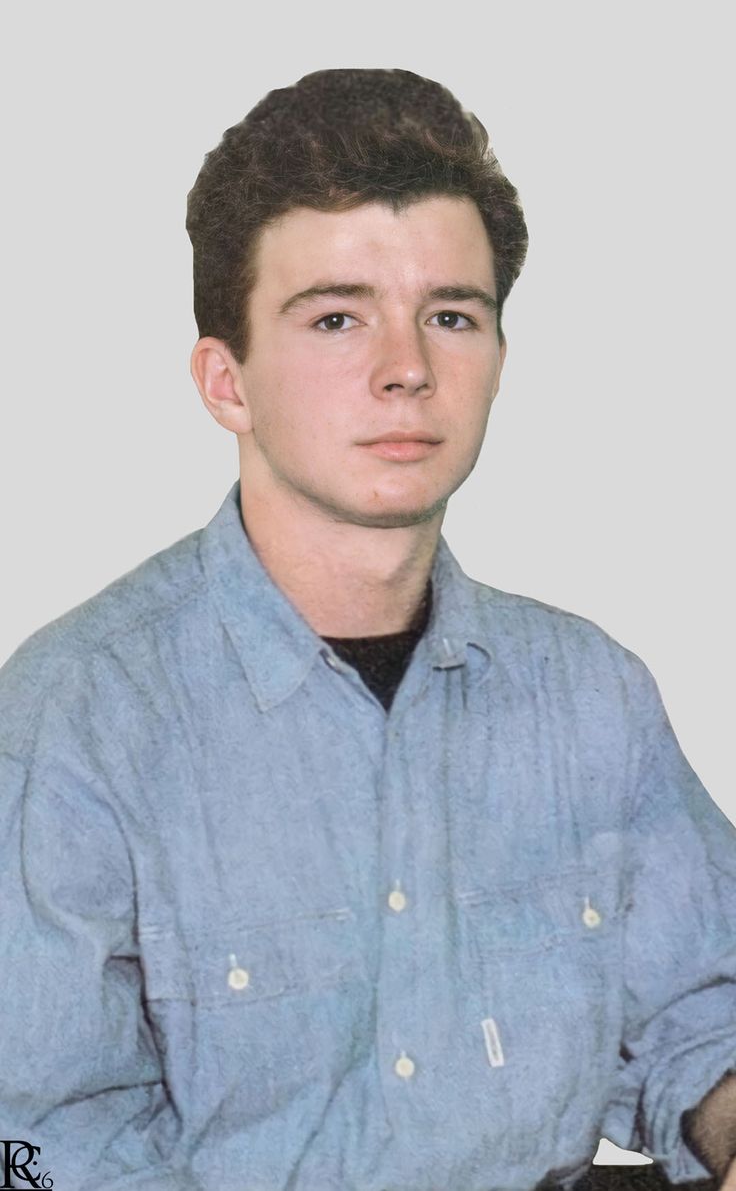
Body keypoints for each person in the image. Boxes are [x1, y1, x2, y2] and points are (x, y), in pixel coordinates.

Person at [0, 68, 734, 1191]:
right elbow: (31, 1145)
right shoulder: (77, 723)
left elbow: (703, 1023)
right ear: (225, 380)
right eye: (337, 318)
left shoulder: (590, 699)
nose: (407, 369)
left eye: (451, 315)